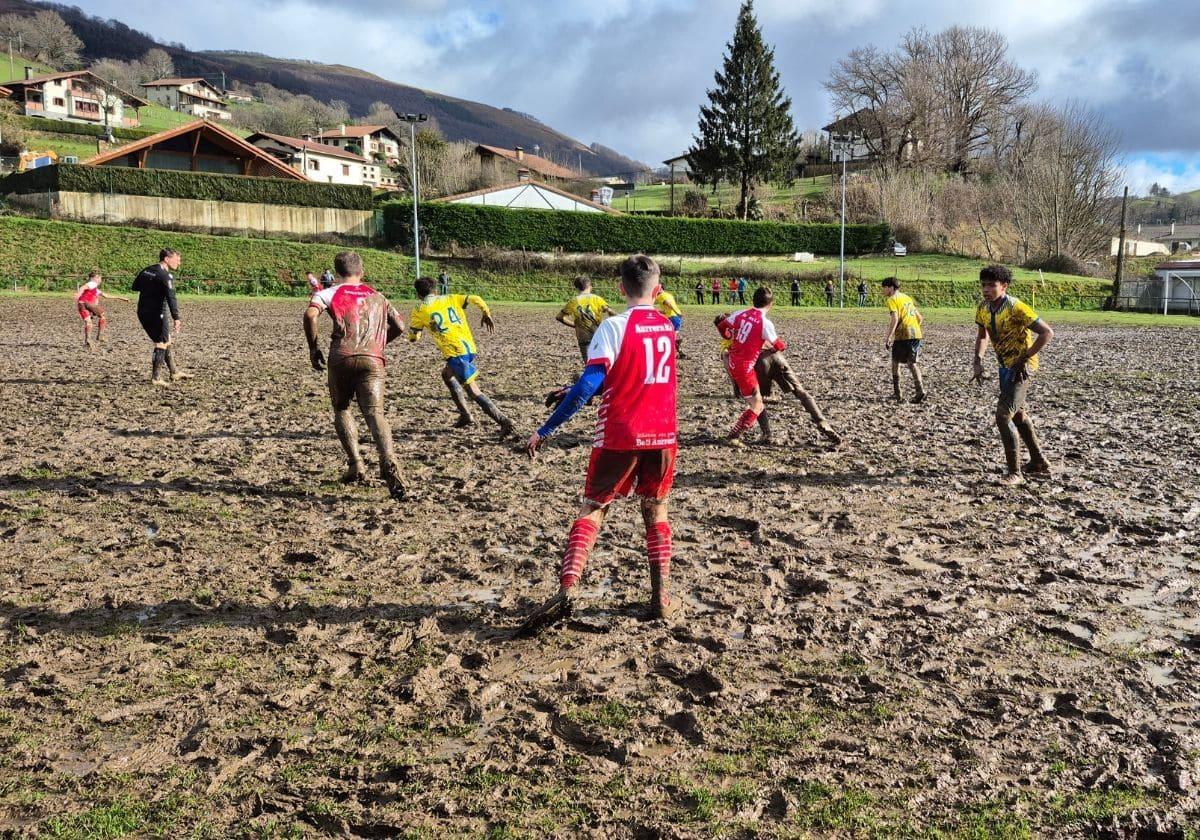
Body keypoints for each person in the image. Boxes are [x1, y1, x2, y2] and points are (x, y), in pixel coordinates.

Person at [520, 254, 680, 635]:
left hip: (620, 433)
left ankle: (567, 589)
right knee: (656, 511)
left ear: (621, 288)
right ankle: (661, 599)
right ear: (657, 290)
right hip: (663, 435)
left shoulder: (613, 327)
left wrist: (545, 429)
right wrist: (575, 387)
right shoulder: (667, 327)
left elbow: (591, 386)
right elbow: (636, 376)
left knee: (594, 507)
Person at [303, 251, 407, 499]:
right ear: (362, 271)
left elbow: (310, 315)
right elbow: (400, 326)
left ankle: (356, 465)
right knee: (375, 414)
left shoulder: (329, 292)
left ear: (336, 273)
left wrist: (313, 347)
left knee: (342, 409)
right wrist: (378, 346)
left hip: (341, 356)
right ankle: (389, 462)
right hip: (372, 358)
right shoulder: (377, 296)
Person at [972, 264, 1054, 485]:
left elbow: (1046, 333)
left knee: (1003, 415)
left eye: (991, 285)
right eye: (983, 285)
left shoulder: (1017, 307)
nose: (986, 289)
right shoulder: (983, 308)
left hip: (1022, 369)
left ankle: (1015, 473)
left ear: (1004, 286)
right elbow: (982, 336)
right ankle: (1038, 461)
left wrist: (1025, 357)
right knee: (1018, 415)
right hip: (1004, 365)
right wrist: (977, 360)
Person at [408, 279, 514, 436]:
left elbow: (414, 337)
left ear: (418, 294)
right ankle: (465, 415)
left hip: (455, 352)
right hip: (469, 347)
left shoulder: (420, 309)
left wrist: (415, 335)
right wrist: (486, 312)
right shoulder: (451, 297)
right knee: (446, 375)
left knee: (473, 391)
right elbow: (476, 298)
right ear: (435, 290)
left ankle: (504, 421)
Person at [715, 286, 787, 446]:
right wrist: (769, 348)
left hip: (733, 361)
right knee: (757, 405)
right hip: (745, 368)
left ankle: (766, 433)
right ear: (771, 305)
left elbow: (722, 326)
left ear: (752, 301)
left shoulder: (740, 313)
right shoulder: (765, 323)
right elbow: (780, 345)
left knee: (757, 398)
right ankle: (734, 435)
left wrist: (730, 336)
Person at [132, 248, 192, 385]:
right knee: (161, 343)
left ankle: (174, 372)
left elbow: (135, 287)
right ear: (167, 259)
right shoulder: (166, 276)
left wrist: (151, 289)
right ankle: (156, 378)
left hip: (143, 310)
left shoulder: (146, 270)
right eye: (177, 259)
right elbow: (171, 298)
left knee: (166, 340)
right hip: (157, 312)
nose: (179, 263)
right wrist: (176, 318)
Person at [881, 277, 926, 403]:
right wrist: (913, 327)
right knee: (912, 363)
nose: (883, 291)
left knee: (895, 362)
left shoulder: (892, 299)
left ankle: (898, 393)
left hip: (903, 334)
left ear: (891, 288)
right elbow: (920, 318)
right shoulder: (907, 297)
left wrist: (889, 336)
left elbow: (895, 318)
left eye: (884, 288)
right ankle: (920, 391)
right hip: (916, 333)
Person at [556, 276, 613, 362]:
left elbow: (559, 317)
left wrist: (575, 325)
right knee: (601, 360)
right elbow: (610, 312)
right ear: (590, 286)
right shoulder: (597, 299)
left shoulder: (573, 302)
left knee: (588, 362)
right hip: (598, 335)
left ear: (577, 288)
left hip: (583, 336)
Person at [74, 270, 128, 347]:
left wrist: (121, 298)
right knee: (102, 316)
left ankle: (88, 341)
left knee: (88, 322)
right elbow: (83, 287)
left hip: (81, 304)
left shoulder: (95, 289)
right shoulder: (92, 283)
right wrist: (78, 294)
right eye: (99, 278)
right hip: (89, 303)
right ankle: (100, 336)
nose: (100, 280)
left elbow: (106, 295)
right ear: (95, 278)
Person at [654, 282, 685, 358]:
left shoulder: (660, 296)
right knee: (671, 336)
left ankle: (674, 350)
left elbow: (669, 305)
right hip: (676, 317)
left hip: (672, 317)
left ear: (660, 288)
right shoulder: (669, 295)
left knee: (668, 336)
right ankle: (679, 351)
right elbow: (667, 309)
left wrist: (676, 312)